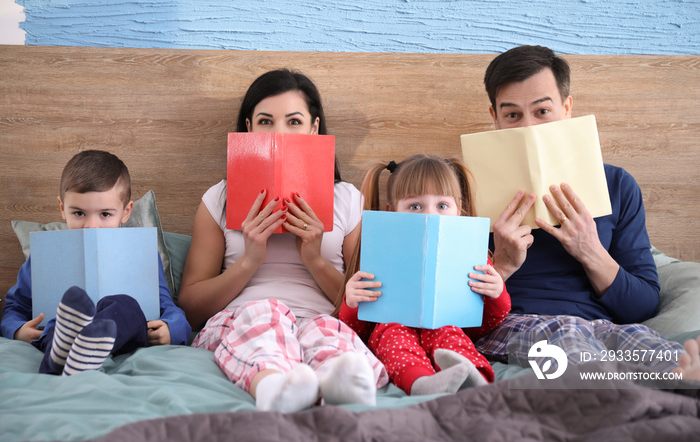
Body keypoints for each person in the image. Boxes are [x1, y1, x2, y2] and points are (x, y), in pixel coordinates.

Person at [474, 45, 700, 380]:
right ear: (494, 118)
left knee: (669, 357)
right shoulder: (463, 190)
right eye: (512, 115)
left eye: (542, 111)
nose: (529, 128)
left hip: (601, 328)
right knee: (578, 352)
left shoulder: (617, 185)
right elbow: (450, 315)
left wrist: (590, 251)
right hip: (519, 325)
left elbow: (642, 308)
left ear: (566, 109)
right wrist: (502, 264)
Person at [178, 69, 388, 413]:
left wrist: (315, 259)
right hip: (242, 319)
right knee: (268, 313)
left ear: (314, 129)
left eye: (293, 121)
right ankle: (273, 386)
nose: (279, 133)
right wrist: (249, 260)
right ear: (248, 128)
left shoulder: (348, 200)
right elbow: (190, 306)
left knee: (327, 333)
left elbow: (365, 303)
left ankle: (341, 387)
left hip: (321, 317)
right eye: (265, 121)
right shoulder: (218, 198)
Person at [1, 150, 191, 376]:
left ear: (126, 211)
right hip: (60, 332)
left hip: (123, 334)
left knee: (126, 305)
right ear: (63, 208)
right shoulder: (45, 255)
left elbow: (167, 306)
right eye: (79, 213)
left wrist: (172, 328)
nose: (91, 225)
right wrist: (17, 330)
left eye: (105, 214)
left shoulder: (143, 253)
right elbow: (15, 307)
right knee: (61, 318)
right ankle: (61, 359)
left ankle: (82, 351)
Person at [337, 154, 511, 395]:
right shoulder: (378, 252)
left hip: (447, 326)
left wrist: (496, 293)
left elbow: (484, 325)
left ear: (458, 210)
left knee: (450, 334)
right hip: (392, 327)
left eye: (442, 205)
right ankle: (420, 383)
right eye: (415, 206)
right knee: (391, 333)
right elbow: (355, 332)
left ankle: (475, 378)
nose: (430, 215)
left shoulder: (471, 254)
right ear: (392, 212)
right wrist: (352, 302)